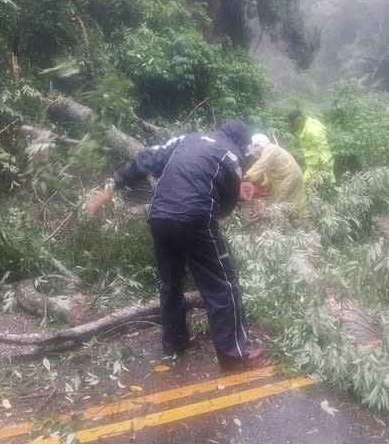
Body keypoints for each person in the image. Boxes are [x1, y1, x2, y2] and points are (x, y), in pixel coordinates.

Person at [86, 119, 265, 370]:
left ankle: (175, 343)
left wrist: (114, 185)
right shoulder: (232, 155)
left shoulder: (185, 140)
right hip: (195, 218)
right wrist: (227, 208)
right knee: (223, 283)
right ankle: (233, 353)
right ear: (242, 143)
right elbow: (224, 205)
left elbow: (147, 158)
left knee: (171, 282)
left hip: (159, 216)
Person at [245, 133, 306, 213]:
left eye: (255, 150)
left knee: (282, 203)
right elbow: (269, 171)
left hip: (289, 178)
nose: (255, 154)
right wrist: (266, 184)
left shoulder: (270, 149)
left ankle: (281, 222)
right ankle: (293, 219)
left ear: (259, 145)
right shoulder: (269, 151)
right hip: (289, 178)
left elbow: (261, 164)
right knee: (288, 202)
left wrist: (248, 176)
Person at [288, 109, 335, 185]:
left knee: (307, 187)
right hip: (313, 165)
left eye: (294, 123)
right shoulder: (305, 127)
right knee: (317, 188)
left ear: (298, 120)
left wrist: (325, 168)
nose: (294, 126)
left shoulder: (312, 130)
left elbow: (323, 148)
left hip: (319, 166)